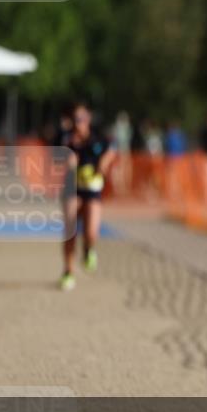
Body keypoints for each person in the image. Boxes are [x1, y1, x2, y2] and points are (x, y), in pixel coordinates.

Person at [59, 103, 115, 291]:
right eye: (75, 119)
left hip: (92, 189)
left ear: (88, 119)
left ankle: (88, 249)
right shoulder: (67, 140)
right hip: (72, 189)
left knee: (91, 232)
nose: (78, 123)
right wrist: (67, 162)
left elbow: (111, 150)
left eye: (81, 119)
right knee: (70, 228)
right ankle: (68, 272)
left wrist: (104, 163)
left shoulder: (97, 139)